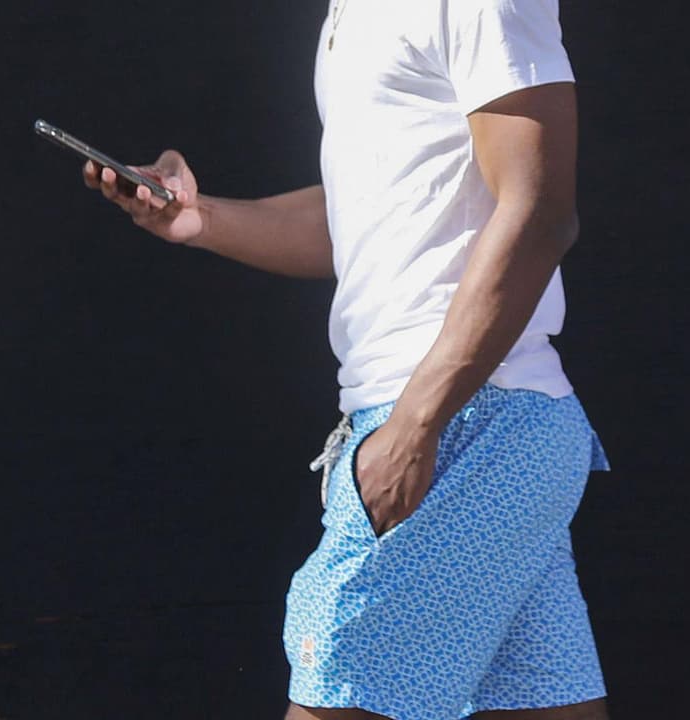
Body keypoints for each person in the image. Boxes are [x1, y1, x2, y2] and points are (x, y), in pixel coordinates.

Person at [82, 0, 612, 718]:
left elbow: (540, 213)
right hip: (477, 428)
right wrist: (200, 220)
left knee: (334, 697)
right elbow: (361, 221)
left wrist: (416, 426)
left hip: (467, 425)